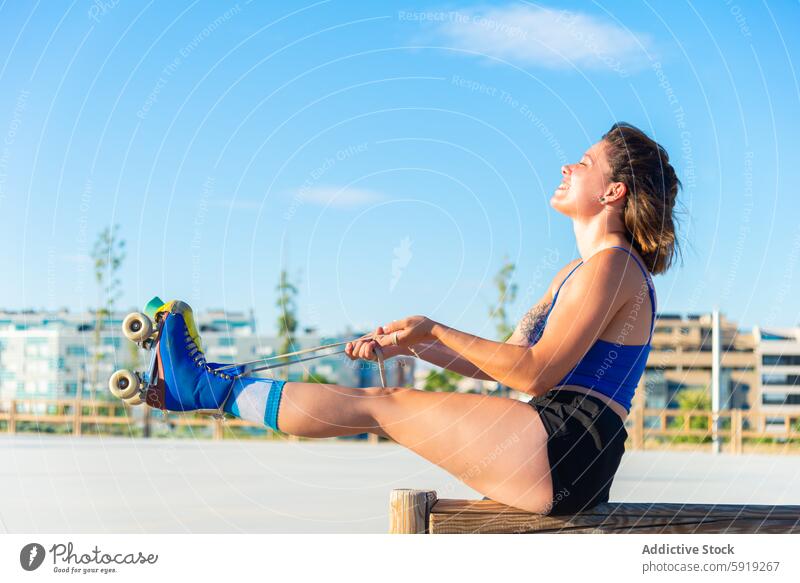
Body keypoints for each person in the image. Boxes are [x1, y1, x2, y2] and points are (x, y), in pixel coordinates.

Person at [146, 121, 681, 515]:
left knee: (382, 405)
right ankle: (204, 387)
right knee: (380, 403)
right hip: (557, 441)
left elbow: (533, 372)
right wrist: (416, 346)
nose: (568, 166)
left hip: (568, 440)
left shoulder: (612, 265)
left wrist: (435, 329)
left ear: (613, 192)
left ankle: (203, 390)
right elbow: (507, 361)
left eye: (584, 163)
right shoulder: (581, 270)